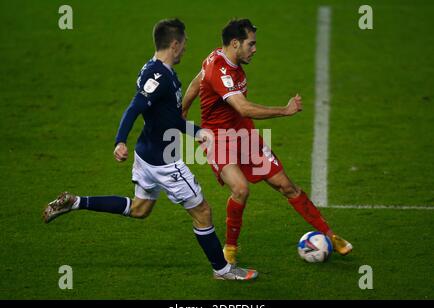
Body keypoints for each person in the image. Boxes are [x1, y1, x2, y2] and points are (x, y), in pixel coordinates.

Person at [43, 18, 257, 281]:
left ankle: (75, 202)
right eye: (185, 43)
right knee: (202, 211)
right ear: (175, 45)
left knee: (140, 209)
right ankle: (222, 270)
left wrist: (196, 131)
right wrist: (120, 140)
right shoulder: (159, 77)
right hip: (164, 161)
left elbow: (167, 118)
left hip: (147, 154)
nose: (187, 48)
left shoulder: (158, 70)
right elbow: (135, 108)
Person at [182, 18, 352, 265]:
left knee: (287, 186)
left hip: (245, 136)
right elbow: (243, 107)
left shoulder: (219, 58)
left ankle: (330, 235)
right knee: (240, 189)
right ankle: (230, 247)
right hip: (218, 140)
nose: (254, 49)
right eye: (250, 44)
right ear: (235, 43)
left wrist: (183, 110)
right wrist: (285, 110)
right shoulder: (220, 70)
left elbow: (197, 81)